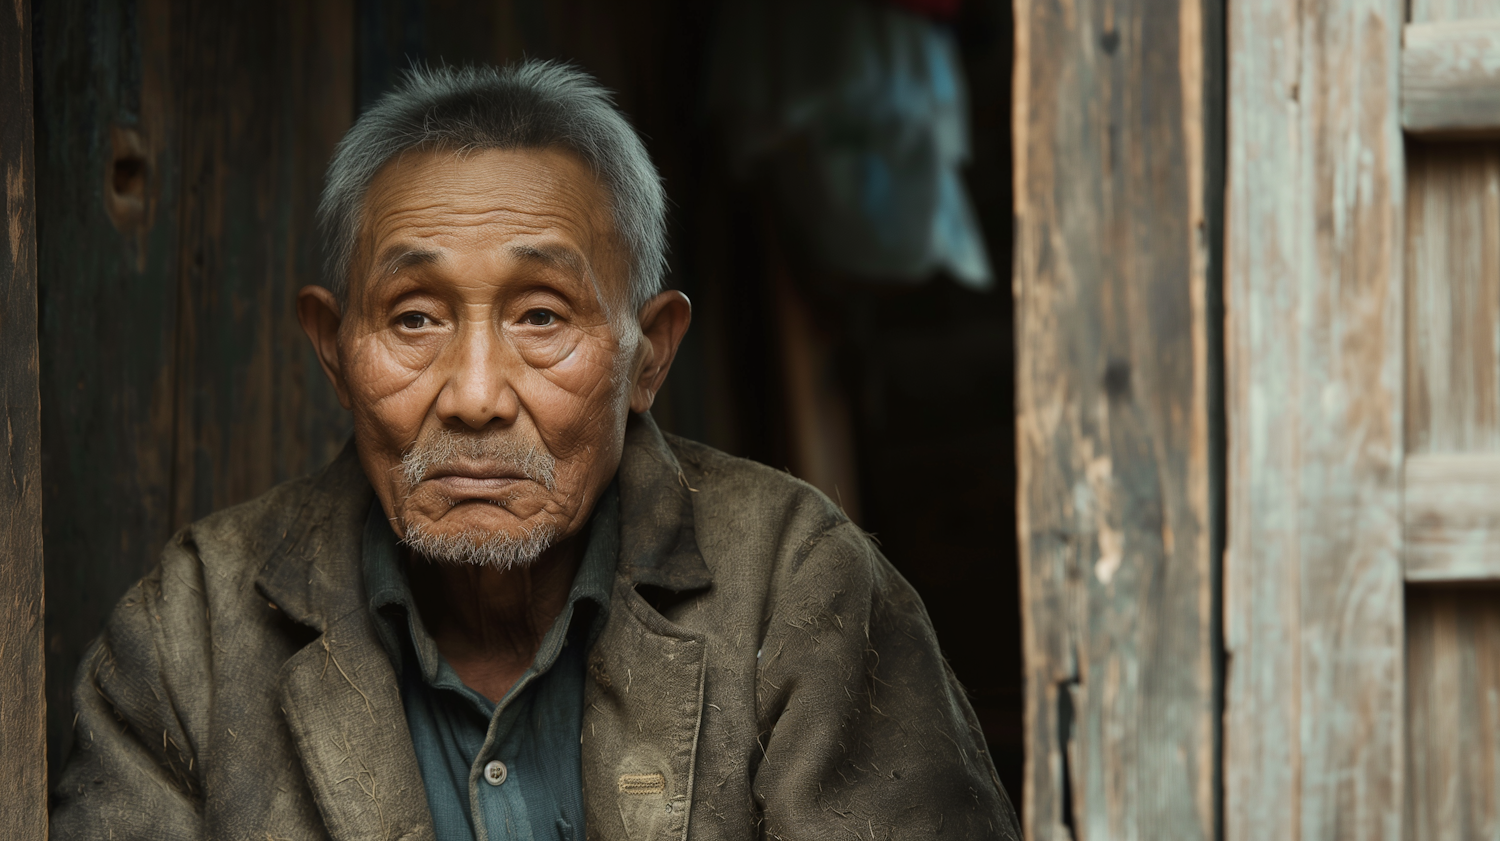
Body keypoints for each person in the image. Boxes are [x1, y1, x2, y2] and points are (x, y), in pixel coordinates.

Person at [50, 61, 1020, 841]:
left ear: (649, 356)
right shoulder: (193, 637)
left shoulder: (796, 585)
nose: (475, 396)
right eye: (416, 317)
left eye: (543, 316)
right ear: (334, 353)